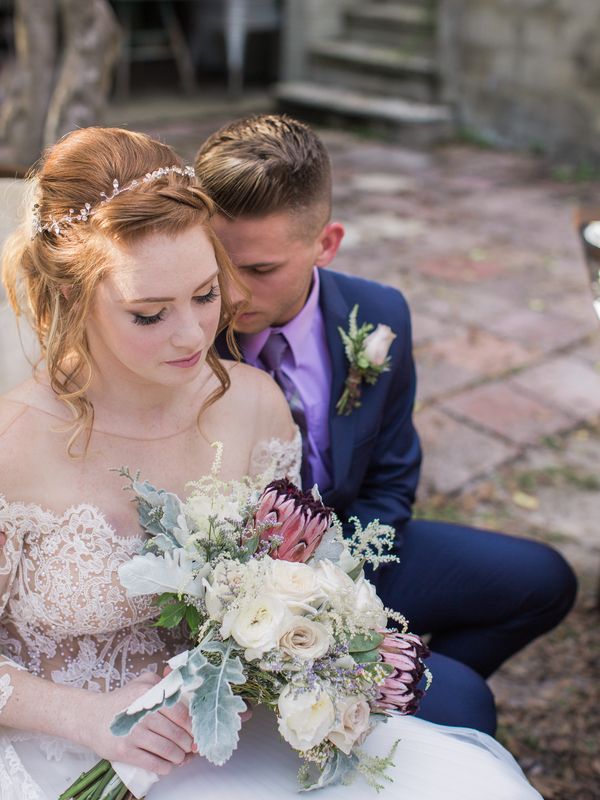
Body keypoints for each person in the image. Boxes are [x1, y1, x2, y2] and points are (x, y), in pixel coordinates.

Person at [0, 125, 543, 800]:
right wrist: (87, 719)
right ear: (76, 298)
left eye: (205, 294)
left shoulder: (252, 404)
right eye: (148, 314)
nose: (195, 333)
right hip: (65, 748)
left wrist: (290, 647)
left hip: (233, 727)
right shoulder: (13, 444)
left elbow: (288, 570)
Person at [194, 114, 578, 735]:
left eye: (261, 270)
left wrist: (344, 590)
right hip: (238, 599)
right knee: (468, 703)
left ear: (327, 244)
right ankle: (407, 704)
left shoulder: (378, 314)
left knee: (545, 581)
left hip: (360, 552)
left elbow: (394, 477)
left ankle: (382, 702)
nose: (230, 293)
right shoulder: (187, 341)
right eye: (217, 262)